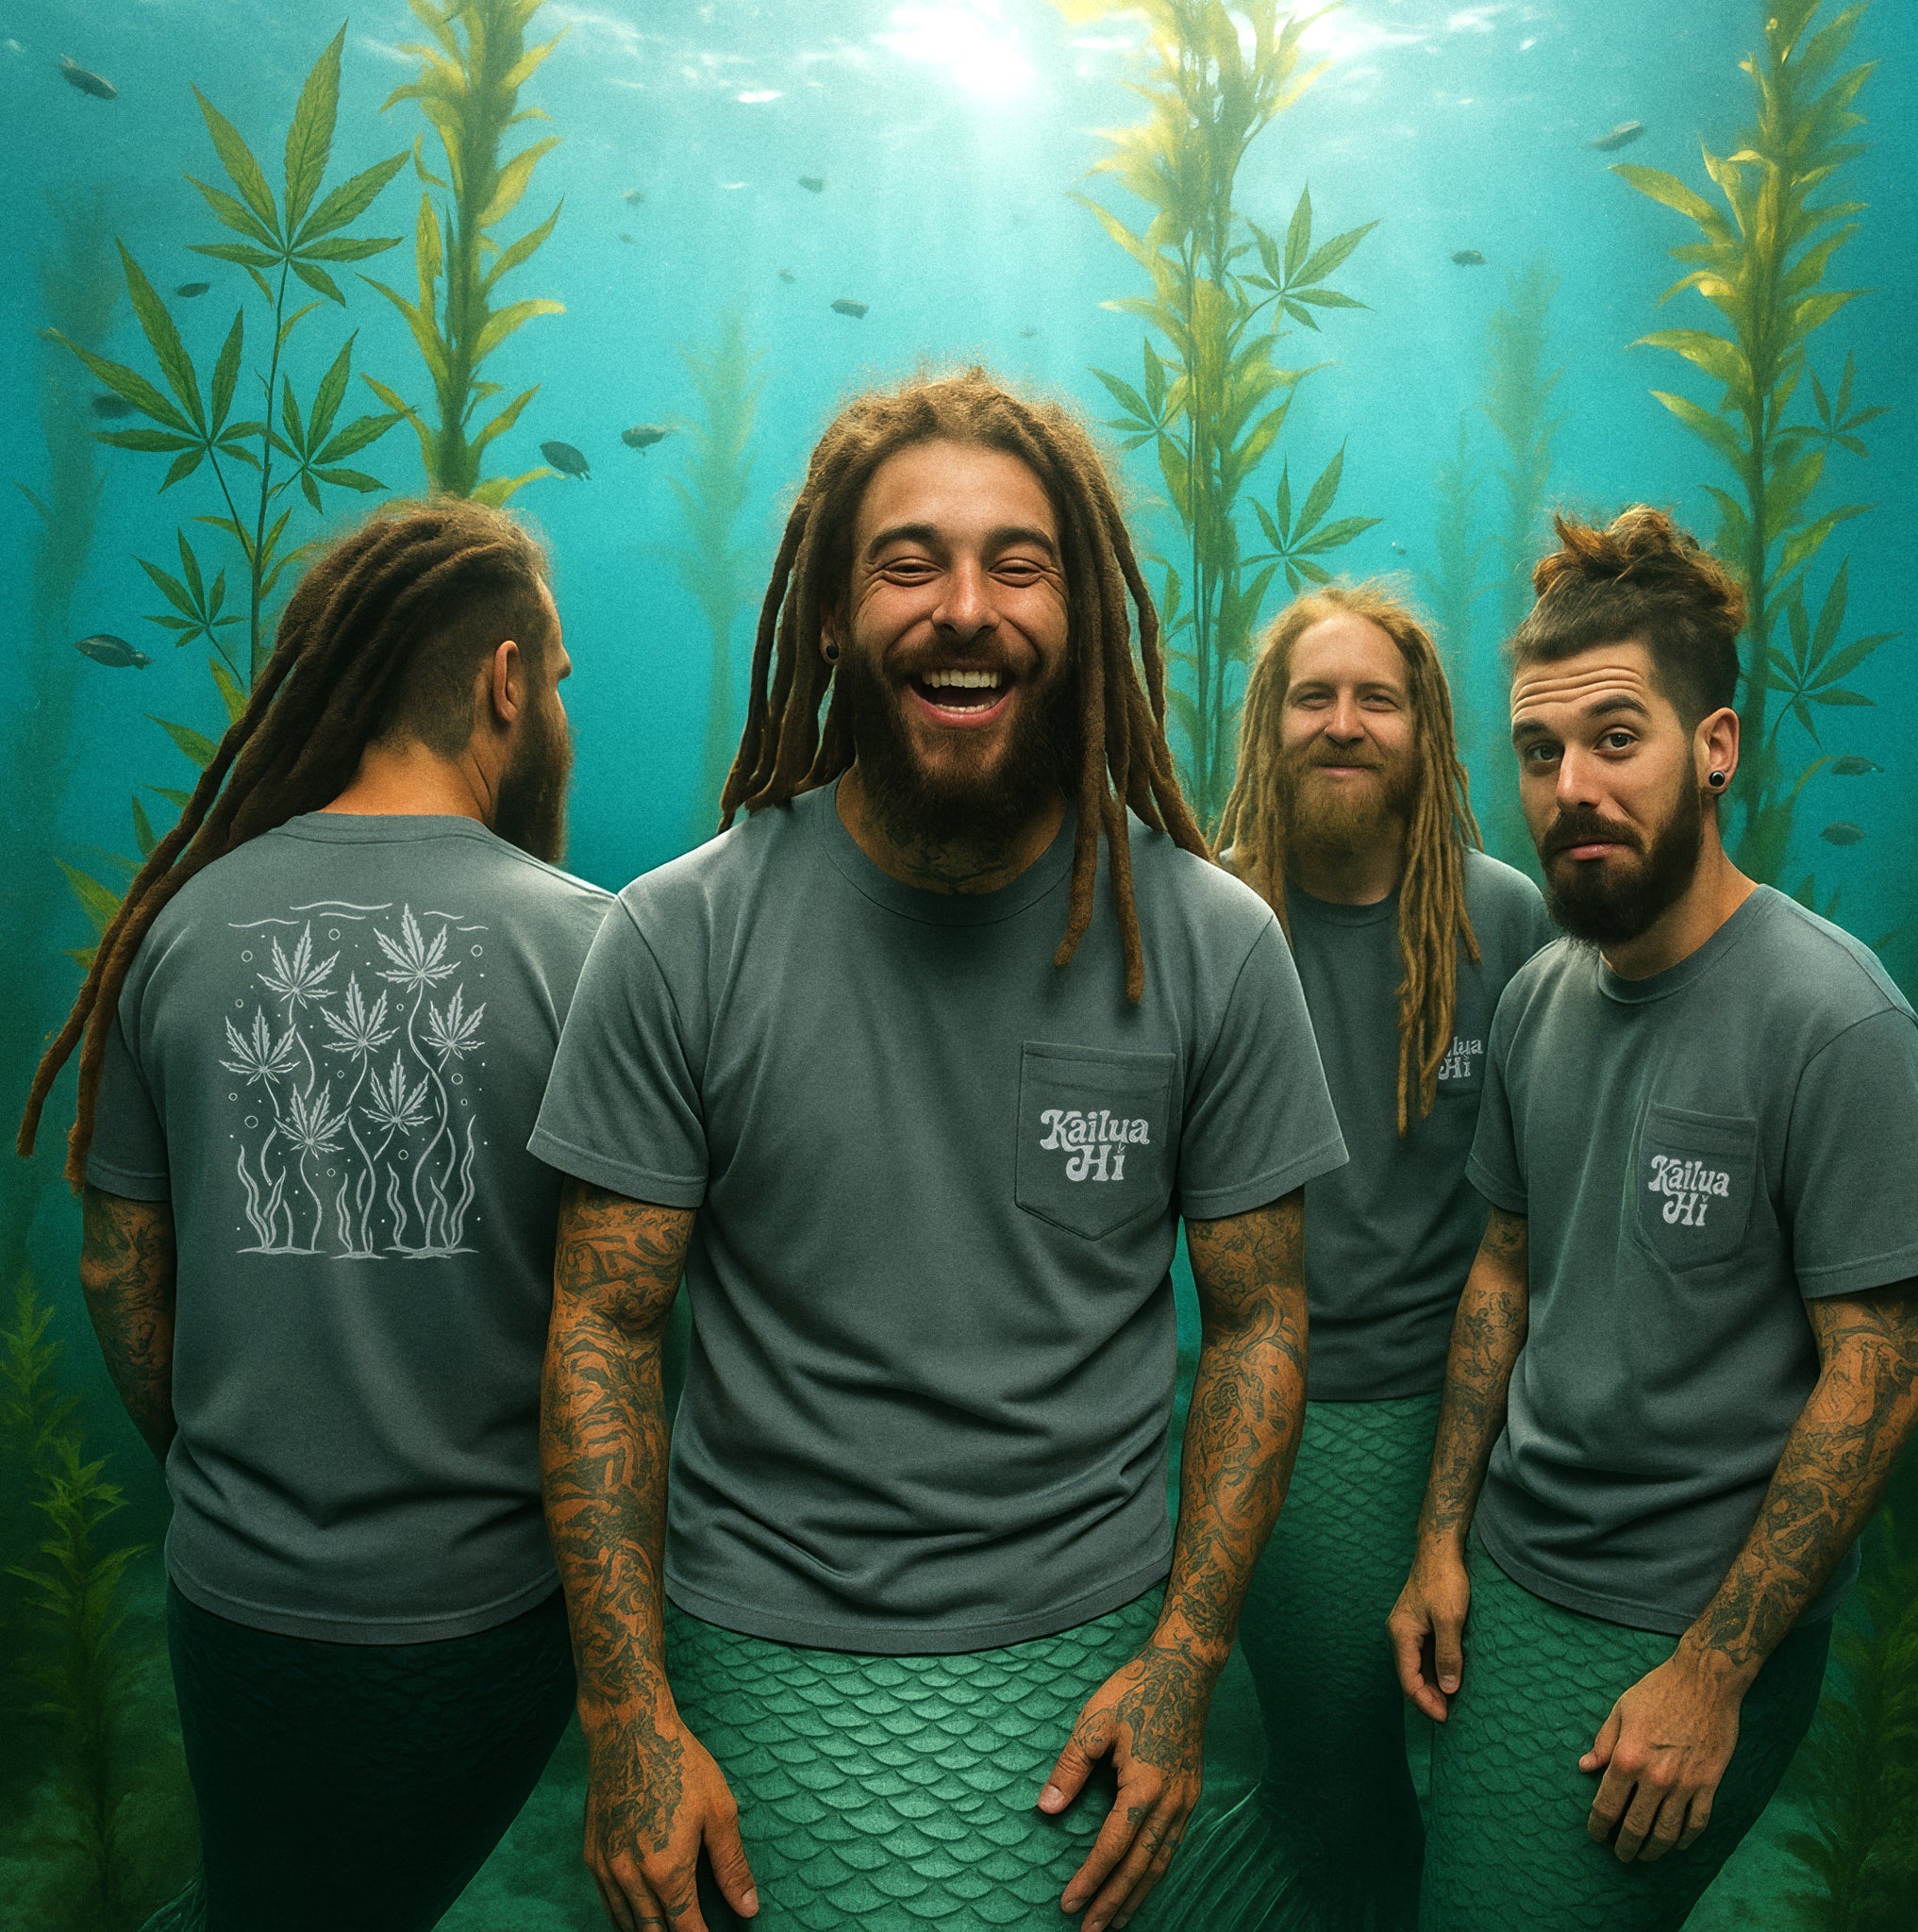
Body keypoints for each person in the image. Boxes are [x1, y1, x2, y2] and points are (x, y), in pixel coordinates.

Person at [528, 369, 1347, 1932]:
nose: (964, 607)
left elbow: (1258, 1325)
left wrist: (1185, 1665)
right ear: (832, 615)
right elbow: (603, 1328)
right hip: (743, 1649)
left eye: (1018, 563)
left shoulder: (1215, 945)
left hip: (1090, 1661)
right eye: (909, 561)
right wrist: (627, 1721)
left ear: (1083, 612)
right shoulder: (675, 937)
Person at [18, 500, 611, 1932]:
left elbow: (117, 1271)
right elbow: (630, 1322)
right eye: (566, 681)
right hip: (483, 1621)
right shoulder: (596, 947)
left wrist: (239, 1468)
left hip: (232, 1610)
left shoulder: (177, 927)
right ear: (508, 681)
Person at [1388, 507, 1918, 1931]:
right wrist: (1444, 1540)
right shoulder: (1538, 999)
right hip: (1511, 1583)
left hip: (1677, 1636)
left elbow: (1883, 1367)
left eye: (1616, 737)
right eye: (1541, 750)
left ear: (1717, 746)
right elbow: (1501, 1274)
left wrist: (1714, 1674)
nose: (1571, 785)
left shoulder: (1838, 1021)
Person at [1142, 585, 1553, 1931]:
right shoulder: (1206, 920)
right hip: (1292, 1430)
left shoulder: (1512, 926)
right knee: (1335, 1782)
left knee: (1502, 1789)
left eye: (1376, 698)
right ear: (1269, 724)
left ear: (1425, 730)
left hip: (1495, 1436)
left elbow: (1546, 1211)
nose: (1344, 723)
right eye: (1314, 697)